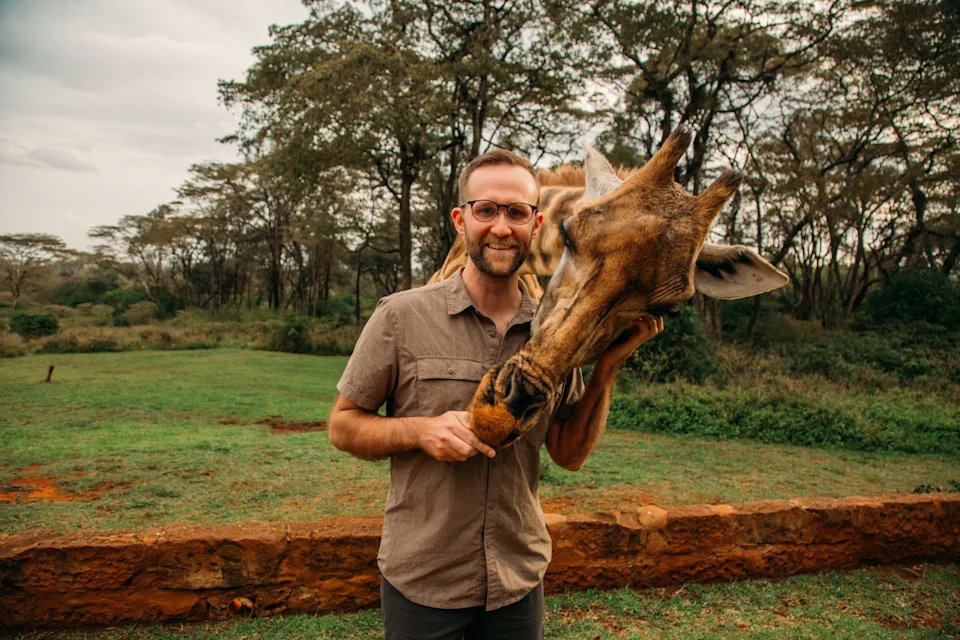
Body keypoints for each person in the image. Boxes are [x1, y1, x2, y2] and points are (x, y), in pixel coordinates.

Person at [328, 149, 664, 640]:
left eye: (516, 212)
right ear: (460, 220)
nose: (501, 228)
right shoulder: (400, 317)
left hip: (516, 582)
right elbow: (342, 425)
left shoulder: (556, 333)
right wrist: (420, 431)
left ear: (536, 223)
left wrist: (606, 368)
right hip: (423, 581)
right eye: (486, 210)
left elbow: (569, 454)